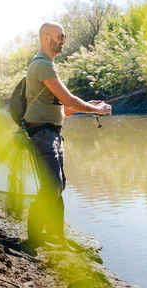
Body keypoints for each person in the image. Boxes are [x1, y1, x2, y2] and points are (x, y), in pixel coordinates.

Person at [25, 22, 112, 250]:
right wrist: (97, 110)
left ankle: (58, 238)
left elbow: (60, 108)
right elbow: (69, 100)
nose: (63, 40)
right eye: (60, 36)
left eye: (64, 36)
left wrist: (85, 107)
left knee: (58, 185)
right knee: (51, 186)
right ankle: (33, 239)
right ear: (46, 38)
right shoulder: (43, 65)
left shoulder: (47, 65)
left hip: (52, 132)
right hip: (41, 134)